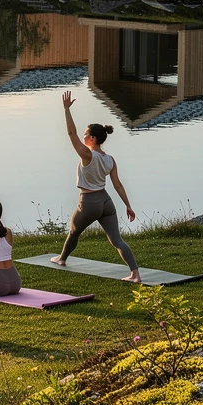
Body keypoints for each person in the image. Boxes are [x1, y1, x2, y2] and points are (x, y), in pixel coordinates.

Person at [51, 90, 141, 283]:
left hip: (89, 202)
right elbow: (117, 184)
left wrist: (66, 110)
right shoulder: (110, 160)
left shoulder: (87, 155)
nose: (83, 137)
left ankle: (62, 259)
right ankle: (135, 273)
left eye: (86, 135)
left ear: (92, 138)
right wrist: (128, 205)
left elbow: (71, 133)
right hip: (106, 202)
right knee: (117, 241)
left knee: (74, 232)